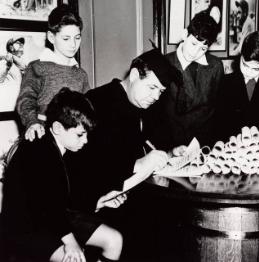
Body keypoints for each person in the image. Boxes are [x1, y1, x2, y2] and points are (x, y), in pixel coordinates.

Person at [1, 88, 127, 262]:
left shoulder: (63, 146)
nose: (86, 141)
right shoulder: (37, 150)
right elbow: (46, 206)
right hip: (28, 229)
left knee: (114, 240)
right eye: (80, 134)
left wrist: (98, 203)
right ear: (58, 128)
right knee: (76, 259)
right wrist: (71, 242)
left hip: (54, 219)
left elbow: (63, 200)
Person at [68, 49, 184, 213]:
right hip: (96, 202)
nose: (156, 96)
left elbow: (151, 144)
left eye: (161, 91)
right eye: (152, 87)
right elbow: (85, 162)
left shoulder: (147, 106)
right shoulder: (97, 102)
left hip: (135, 192)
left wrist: (171, 153)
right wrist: (136, 164)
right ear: (135, 75)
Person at [143, 10, 224, 151]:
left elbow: (215, 111)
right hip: (168, 146)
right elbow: (153, 116)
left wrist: (199, 143)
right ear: (184, 35)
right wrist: (169, 150)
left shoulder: (215, 66)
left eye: (203, 48)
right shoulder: (164, 63)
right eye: (193, 44)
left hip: (203, 145)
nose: (195, 52)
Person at [16, 4, 90, 142]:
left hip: (72, 143)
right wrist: (33, 122)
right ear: (51, 37)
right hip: (42, 137)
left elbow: (87, 111)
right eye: (66, 38)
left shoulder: (81, 74)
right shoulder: (38, 67)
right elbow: (25, 100)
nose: (73, 44)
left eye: (77, 37)